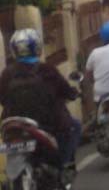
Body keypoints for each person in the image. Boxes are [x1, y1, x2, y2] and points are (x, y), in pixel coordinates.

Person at [0, 29, 82, 168]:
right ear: (37, 48)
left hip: (14, 123)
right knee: (75, 126)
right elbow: (66, 90)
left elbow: (2, 98)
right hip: (47, 123)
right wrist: (73, 93)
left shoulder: (7, 73)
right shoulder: (47, 69)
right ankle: (62, 164)